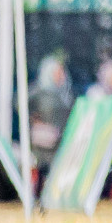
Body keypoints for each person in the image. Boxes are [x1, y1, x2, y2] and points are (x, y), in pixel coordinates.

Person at [30, 54, 72, 187]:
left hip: (62, 143)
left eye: (61, 72)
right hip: (43, 146)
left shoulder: (67, 94)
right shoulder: (38, 92)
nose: (59, 75)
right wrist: (35, 120)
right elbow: (20, 104)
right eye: (56, 72)